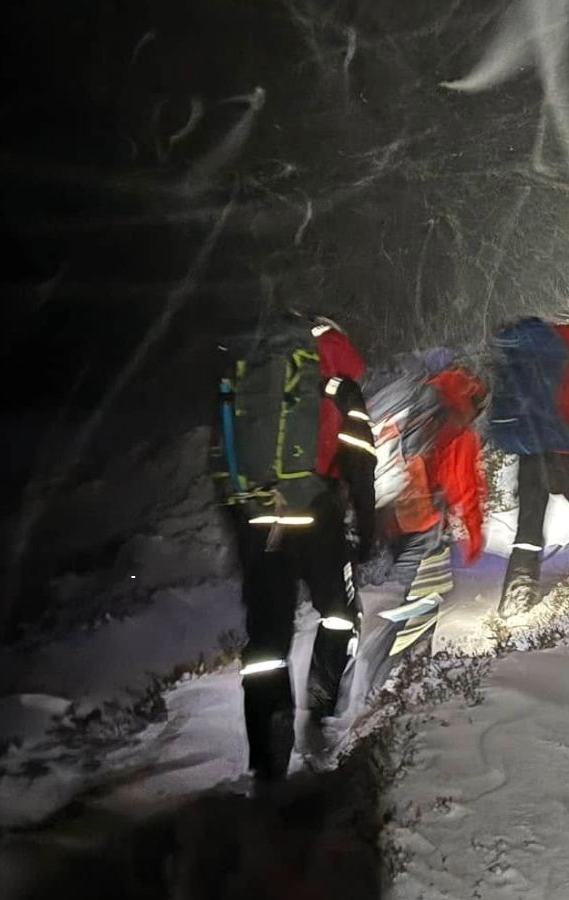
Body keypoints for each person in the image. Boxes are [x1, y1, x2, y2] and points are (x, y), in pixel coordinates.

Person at [214, 312, 377, 783]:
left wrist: (241, 526)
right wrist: (364, 525)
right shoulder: (337, 376)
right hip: (316, 515)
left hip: (259, 521)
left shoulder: (248, 370)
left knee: (266, 643)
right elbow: (360, 455)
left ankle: (267, 754)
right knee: (340, 614)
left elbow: (221, 456)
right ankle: (319, 713)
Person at [354, 352, 488, 702]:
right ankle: (391, 677)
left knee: (391, 588)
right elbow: (466, 487)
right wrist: (473, 535)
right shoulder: (458, 424)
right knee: (418, 597)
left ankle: (363, 657)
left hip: (387, 511)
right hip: (424, 518)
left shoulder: (417, 402)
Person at [488, 318, 569, 617]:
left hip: (530, 456)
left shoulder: (528, 365)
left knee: (529, 525)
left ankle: (517, 596)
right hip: (565, 455)